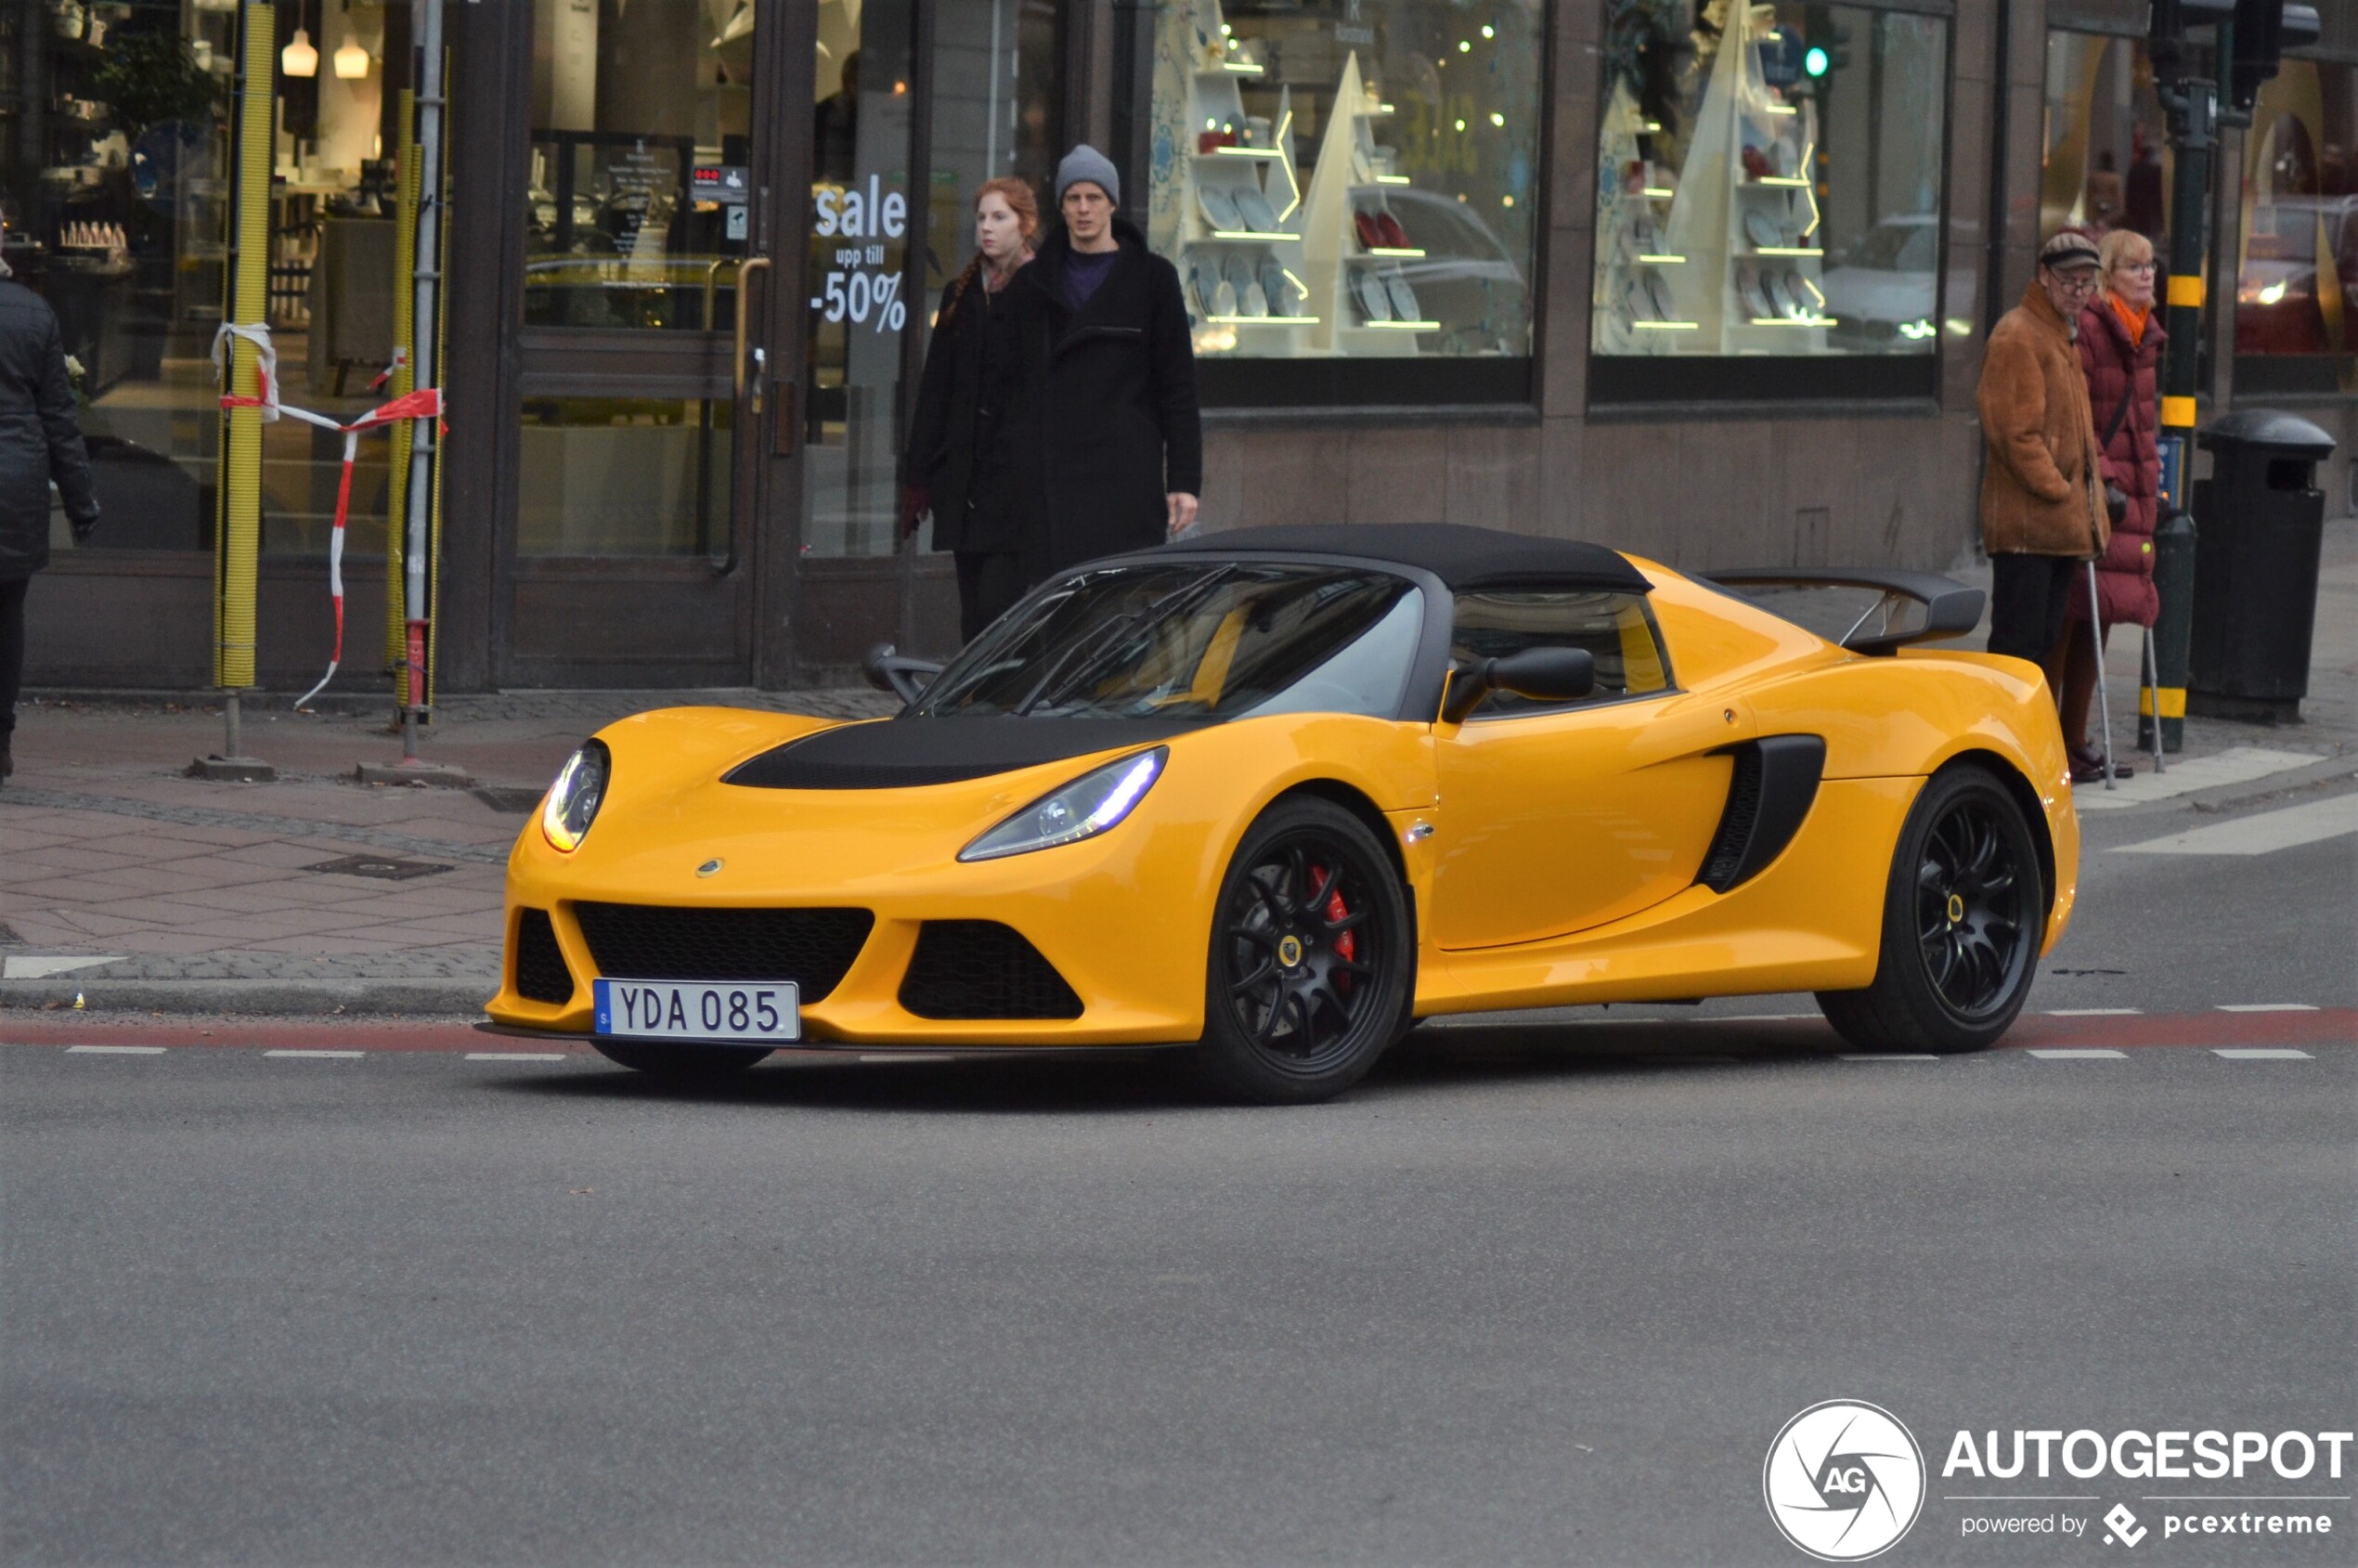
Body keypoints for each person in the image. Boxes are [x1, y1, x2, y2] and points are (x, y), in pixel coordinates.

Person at [1007, 145, 1200, 574]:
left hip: (1126, 476)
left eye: (1093, 198)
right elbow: (1010, 384)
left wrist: (1184, 481)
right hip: (1052, 480)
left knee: (1122, 607)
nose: (1083, 209)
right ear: (1061, 205)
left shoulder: (1153, 279)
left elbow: (1178, 386)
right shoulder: (1032, 284)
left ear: (1112, 202)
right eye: (1073, 198)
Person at [902, 176, 1041, 641]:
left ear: (1026, 225)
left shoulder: (1041, 293)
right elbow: (935, 390)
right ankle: (975, 705)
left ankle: (998, 704)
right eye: (982, 217)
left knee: (999, 609)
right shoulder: (960, 295)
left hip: (1017, 487)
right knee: (972, 611)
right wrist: (919, 477)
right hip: (964, 485)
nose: (987, 228)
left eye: (1000, 217)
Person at [2053, 227, 2165, 783]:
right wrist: (2109, 476)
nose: (2146, 275)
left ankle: (2072, 741)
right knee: (2074, 615)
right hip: (2101, 492)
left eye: (2150, 266)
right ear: (2107, 277)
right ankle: (2051, 743)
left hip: (2131, 493)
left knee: (2103, 617)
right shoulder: (2095, 330)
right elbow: (2079, 415)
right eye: (2133, 267)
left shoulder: (2145, 336)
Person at [1977, 229, 2108, 682]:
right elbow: (2015, 434)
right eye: (2069, 280)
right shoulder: (2019, 335)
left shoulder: (2060, 335)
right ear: (2043, 277)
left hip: (2056, 527)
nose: (2078, 291)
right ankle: (2003, 746)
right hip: (2027, 528)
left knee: (2040, 648)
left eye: (2087, 282)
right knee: (2018, 652)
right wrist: (2061, 488)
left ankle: (2029, 747)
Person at [0, 259, 98, 784]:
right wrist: (81, 502)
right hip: (14, 484)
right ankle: (1, 739)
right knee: (7, 612)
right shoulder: (33, 312)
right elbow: (60, 418)